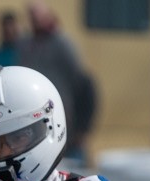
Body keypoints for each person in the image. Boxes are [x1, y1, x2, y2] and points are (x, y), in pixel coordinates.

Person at [17, 0, 97, 166]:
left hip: (66, 123)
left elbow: (84, 85)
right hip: (36, 124)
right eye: (31, 17)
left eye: (38, 16)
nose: (35, 21)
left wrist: (83, 127)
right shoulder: (26, 45)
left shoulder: (62, 44)